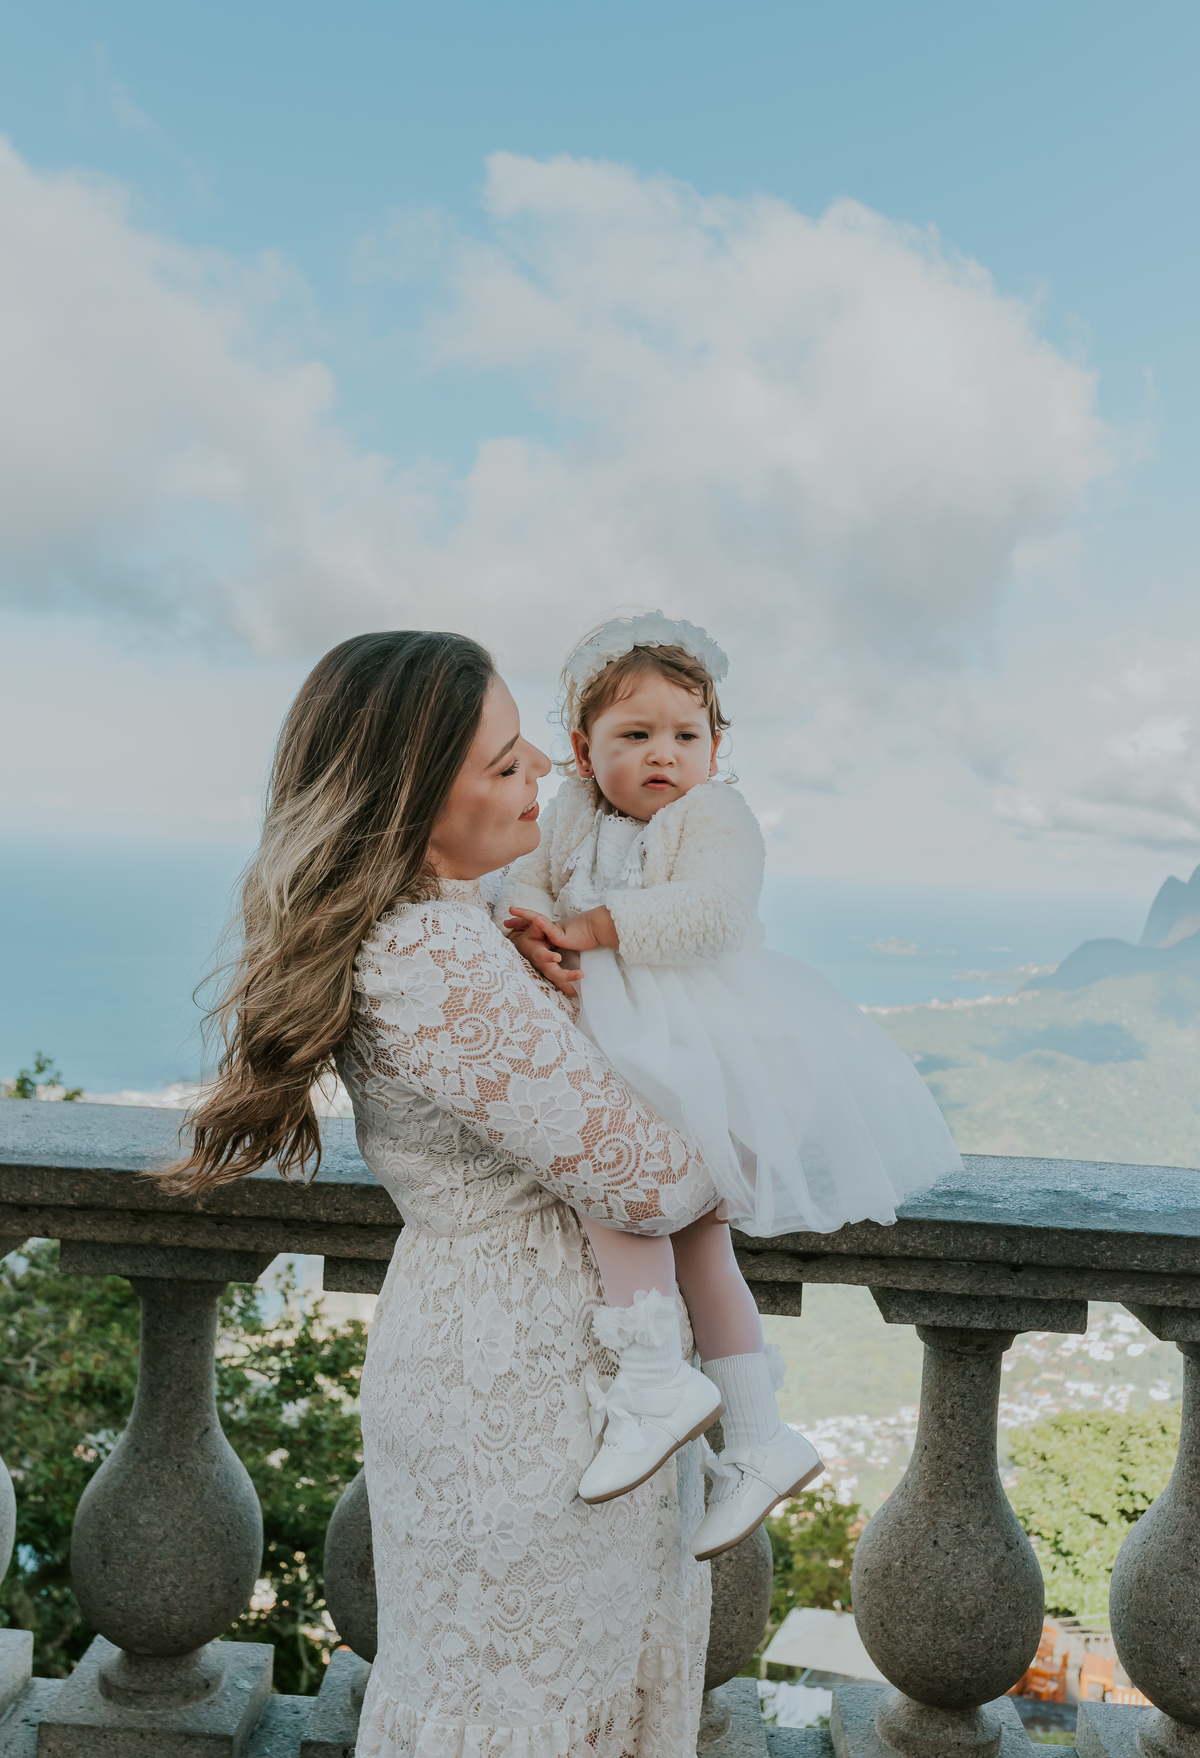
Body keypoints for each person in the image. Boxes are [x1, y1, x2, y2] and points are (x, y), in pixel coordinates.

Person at [170, 630, 722, 1757]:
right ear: (411, 796)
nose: (542, 783)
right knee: (517, 1707)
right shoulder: (433, 954)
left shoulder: (449, 932)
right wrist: (750, 1108)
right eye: (505, 766)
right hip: (525, 1394)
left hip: (530, 1365)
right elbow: (651, 1176)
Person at [497, 611, 964, 1560]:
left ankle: (652, 1378)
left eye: (687, 735)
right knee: (698, 1243)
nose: (663, 755)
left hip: (698, 1052)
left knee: (615, 1186)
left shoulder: (716, 815)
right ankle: (758, 1438)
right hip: (626, 1037)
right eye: (634, 736)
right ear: (582, 752)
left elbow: (711, 914)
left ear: (717, 747)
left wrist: (587, 930)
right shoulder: (576, 817)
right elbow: (525, 881)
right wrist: (539, 924)